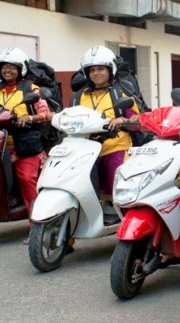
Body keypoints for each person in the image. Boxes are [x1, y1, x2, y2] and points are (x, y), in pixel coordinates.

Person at [0, 47, 52, 244]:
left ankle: (36, 226)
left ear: (20, 69)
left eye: (12, 67)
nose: (7, 70)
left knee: (26, 178)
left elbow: (46, 113)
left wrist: (29, 117)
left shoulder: (30, 89)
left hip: (25, 145)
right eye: (4, 67)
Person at [71, 46, 139, 221]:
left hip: (115, 146)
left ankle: (128, 224)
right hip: (84, 150)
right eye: (92, 70)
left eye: (101, 69)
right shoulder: (78, 97)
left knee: (117, 182)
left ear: (110, 70)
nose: (96, 73)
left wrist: (122, 120)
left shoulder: (120, 92)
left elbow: (136, 119)